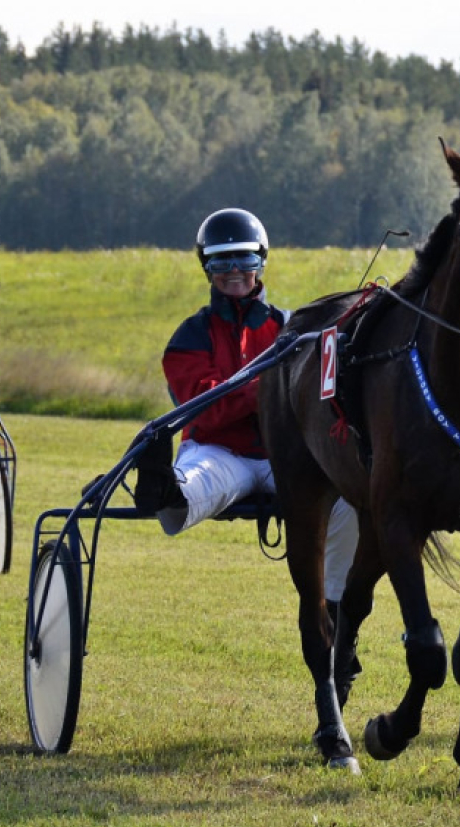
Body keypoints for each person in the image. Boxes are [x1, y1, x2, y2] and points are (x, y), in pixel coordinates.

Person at [134, 208, 359, 613]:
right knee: (195, 485)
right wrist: (274, 387)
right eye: (222, 260)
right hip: (219, 453)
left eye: (245, 259)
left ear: (261, 263)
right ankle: (165, 490)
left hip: (285, 457)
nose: (234, 269)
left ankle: (336, 608)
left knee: (349, 498)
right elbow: (207, 411)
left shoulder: (293, 329)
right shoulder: (188, 338)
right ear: (207, 267)